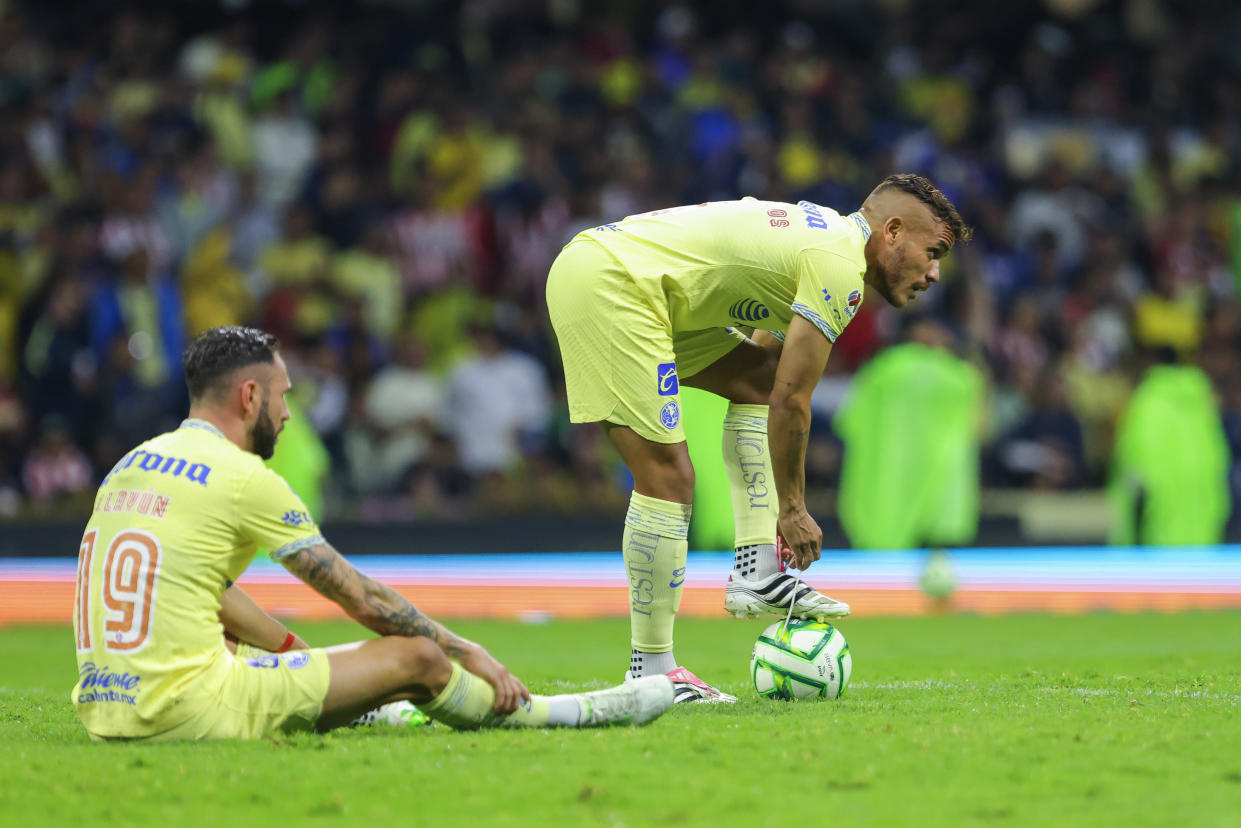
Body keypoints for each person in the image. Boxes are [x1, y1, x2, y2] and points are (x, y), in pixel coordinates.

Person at [71, 326, 672, 742]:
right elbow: (363, 599)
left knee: (239, 644)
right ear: (249, 395)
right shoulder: (242, 477)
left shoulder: (134, 462)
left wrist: (290, 654)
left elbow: (207, 590)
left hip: (107, 709)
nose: (286, 413)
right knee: (417, 654)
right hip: (185, 713)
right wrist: (470, 652)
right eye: (283, 397)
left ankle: (357, 706)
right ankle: (553, 714)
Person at [546, 174, 971, 702]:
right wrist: (791, 509)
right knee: (667, 475)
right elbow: (793, 402)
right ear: (891, 232)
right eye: (933, 252)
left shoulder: (823, 244)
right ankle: (652, 672)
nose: (933, 273)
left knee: (756, 381)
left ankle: (756, 571)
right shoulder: (840, 269)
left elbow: (771, 380)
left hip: (634, 279)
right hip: (613, 281)